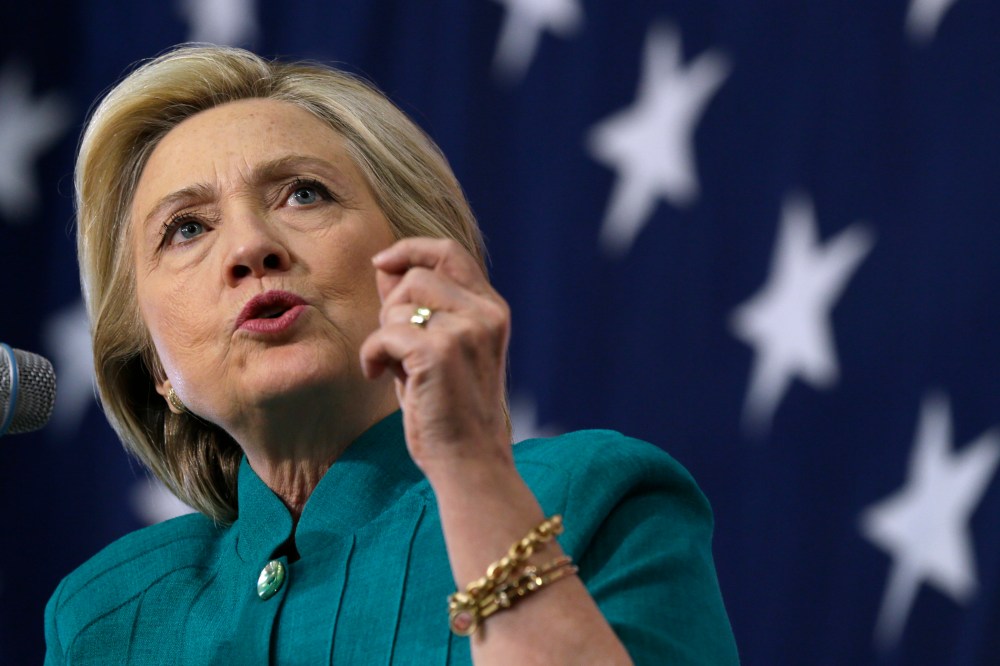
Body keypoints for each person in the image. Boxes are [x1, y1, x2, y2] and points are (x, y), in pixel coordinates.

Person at [45, 45, 739, 665]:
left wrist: (471, 469)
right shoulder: (104, 618)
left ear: (418, 264)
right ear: (157, 370)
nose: (250, 246)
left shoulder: (592, 497)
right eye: (186, 228)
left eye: (304, 193)